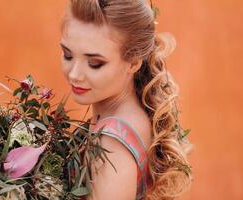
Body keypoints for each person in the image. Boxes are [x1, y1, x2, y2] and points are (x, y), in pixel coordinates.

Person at [59, 0, 192, 199]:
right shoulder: (131, 115)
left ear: (133, 63)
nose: (75, 74)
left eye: (94, 63)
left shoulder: (113, 145)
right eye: (68, 55)